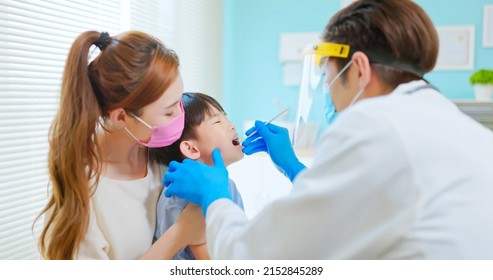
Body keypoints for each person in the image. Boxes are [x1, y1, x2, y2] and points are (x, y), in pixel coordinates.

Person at [163, 0, 493, 259]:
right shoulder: (454, 123)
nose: (330, 91)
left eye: (329, 77)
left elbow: (255, 257)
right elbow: (357, 205)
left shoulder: (372, 126)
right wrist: (292, 167)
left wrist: (214, 196)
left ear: (360, 69)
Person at [35, 30, 205, 259]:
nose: (180, 115)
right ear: (121, 117)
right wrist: (180, 233)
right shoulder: (82, 194)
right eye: (168, 111)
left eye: (179, 100)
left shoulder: (162, 153)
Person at [151, 92, 245, 260]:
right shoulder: (183, 197)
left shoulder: (227, 185)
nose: (232, 126)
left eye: (226, 118)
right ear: (192, 149)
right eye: (217, 122)